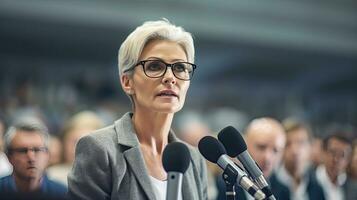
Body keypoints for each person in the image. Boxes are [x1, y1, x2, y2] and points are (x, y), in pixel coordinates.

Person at [67, 19, 208, 200]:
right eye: (155, 66)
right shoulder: (100, 149)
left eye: (180, 67)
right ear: (127, 82)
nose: (170, 77)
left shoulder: (194, 159)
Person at [216, 117, 289, 200]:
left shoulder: (284, 190)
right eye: (261, 147)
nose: (267, 157)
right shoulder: (223, 187)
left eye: (276, 150)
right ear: (245, 145)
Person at [0, 118, 67, 199]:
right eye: (22, 151)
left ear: (47, 155)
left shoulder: (63, 195)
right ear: (9, 156)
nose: (31, 158)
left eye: (37, 150)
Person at [47, 111, 103, 185]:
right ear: (63, 142)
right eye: (74, 141)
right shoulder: (49, 177)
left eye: (88, 143)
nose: (80, 148)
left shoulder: (110, 179)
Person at [276, 119, 325, 200]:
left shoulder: (317, 187)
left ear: (310, 147)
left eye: (301, 143)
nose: (295, 150)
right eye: (288, 143)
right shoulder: (270, 186)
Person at [316, 130, 352, 200]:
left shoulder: (353, 189)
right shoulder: (309, 181)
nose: (336, 159)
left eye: (342, 155)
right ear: (323, 153)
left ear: (348, 160)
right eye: (333, 152)